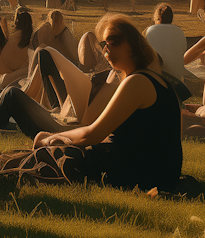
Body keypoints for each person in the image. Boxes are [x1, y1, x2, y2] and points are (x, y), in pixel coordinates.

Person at [19, 14, 184, 193]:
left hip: (141, 173)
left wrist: (49, 138)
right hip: (159, 171)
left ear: (131, 45)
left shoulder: (137, 82)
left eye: (113, 41)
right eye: (104, 43)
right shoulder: (157, 81)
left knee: (51, 157)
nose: (106, 48)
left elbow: (92, 134)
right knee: (60, 152)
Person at [145, 4, 192, 91]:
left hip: (155, 76)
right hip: (176, 77)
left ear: (156, 17)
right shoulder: (179, 32)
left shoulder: (150, 30)